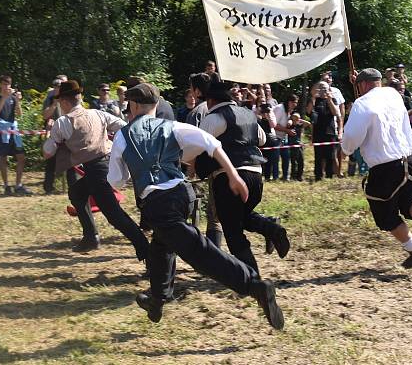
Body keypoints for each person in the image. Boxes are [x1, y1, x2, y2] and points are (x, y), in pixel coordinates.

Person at [106, 82, 284, 329]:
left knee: (197, 250)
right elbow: (212, 143)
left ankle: (253, 285)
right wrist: (233, 175)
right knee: (161, 244)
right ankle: (157, 298)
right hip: (184, 195)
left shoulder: (123, 137)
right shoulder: (173, 126)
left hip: (157, 202)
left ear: (133, 106)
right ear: (156, 105)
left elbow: (116, 180)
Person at [341, 68, 412, 268]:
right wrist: (360, 83)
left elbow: (351, 138)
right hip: (410, 160)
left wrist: (345, 149)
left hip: (384, 168)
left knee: (386, 216)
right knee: (410, 203)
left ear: (361, 85)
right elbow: (373, 97)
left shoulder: (361, 104)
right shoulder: (393, 94)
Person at [43, 81, 149, 259]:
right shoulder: (98, 113)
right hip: (105, 165)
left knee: (114, 215)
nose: (61, 104)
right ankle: (91, 237)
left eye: (61, 101)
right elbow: (123, 126)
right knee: (77, 193)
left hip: (97, 171)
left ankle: (145, 249)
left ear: (65, 102)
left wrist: (51, 137)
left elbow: (47, 152)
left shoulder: (62, 123)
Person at [197, 82, 290, 276]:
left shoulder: (213, 118)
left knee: (232, 231)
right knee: (241, 217)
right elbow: (262, 139)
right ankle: (272, 229)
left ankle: (252, 278)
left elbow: (198, 145)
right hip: (256, 175)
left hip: (229, 177)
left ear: (210, 100)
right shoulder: (248, 115)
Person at [186, 72, 223, 249]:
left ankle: (209, 253)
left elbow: (194, 145)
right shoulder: (221, 107)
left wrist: (190, 171)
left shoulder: (197, 113)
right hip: (226, 165)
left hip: (208, 167)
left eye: (192, 88)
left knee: (201, 208)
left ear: (198, 90)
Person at [0, 75, 31, 195]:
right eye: (4, 84)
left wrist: (18, 100)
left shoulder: (13, 98)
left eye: (8, 84)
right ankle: (6, 185)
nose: (6, 86)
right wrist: (4, 97)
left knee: (21, 158)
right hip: (2, 130)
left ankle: (18, 185)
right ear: (0, 85)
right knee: (3, 159)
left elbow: (19, 114)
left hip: (14, 131)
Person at [306, 81, 340, 180]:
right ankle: (318, 175)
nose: (322, 90)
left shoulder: (332, 99)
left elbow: (336, 113)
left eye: (325, 88)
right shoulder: (315, 100)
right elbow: (308, 112)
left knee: (330, 155)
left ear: (329, 89)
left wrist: (329, 99)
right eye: (320, 88)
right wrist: (313, 97)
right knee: (318, 156)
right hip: (317, 132)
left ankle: (329, 175)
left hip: (330, 132)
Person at [321, 71, 346, 178]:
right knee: (323, 152)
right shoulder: (318, 92)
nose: (328, 80)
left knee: (337, 151)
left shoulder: (337, 91)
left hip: (335, 127)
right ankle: (322, 172)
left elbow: (341, 112)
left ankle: (338, 172)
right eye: (325, 79)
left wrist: (341, 129)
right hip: (323, 127)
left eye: (329, 78)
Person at [272, 95, 299, 181]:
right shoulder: (280, 108)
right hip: (275, 137)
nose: (296, 105)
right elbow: (274, 125)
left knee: (286, 157)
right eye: (294, 102)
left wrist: (290, 121)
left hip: (283, 137)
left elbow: (287, 119)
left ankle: (285, 177)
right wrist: (287, 131)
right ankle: (275, 177)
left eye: (296, 103)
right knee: (275, 158)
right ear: (289, 102)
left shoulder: (288, 109)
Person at [287, 112, 306, 181]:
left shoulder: (299, 125)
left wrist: (300, 120)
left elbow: (308, 124)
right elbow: (288, 123)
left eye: (297, 118)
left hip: (299, 145)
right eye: (295, 118)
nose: (296, 120)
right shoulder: (290, 126)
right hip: (292, 146)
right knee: (293, 162)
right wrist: (291, 120)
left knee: (301, 161)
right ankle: (293, 176)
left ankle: (299, 176)